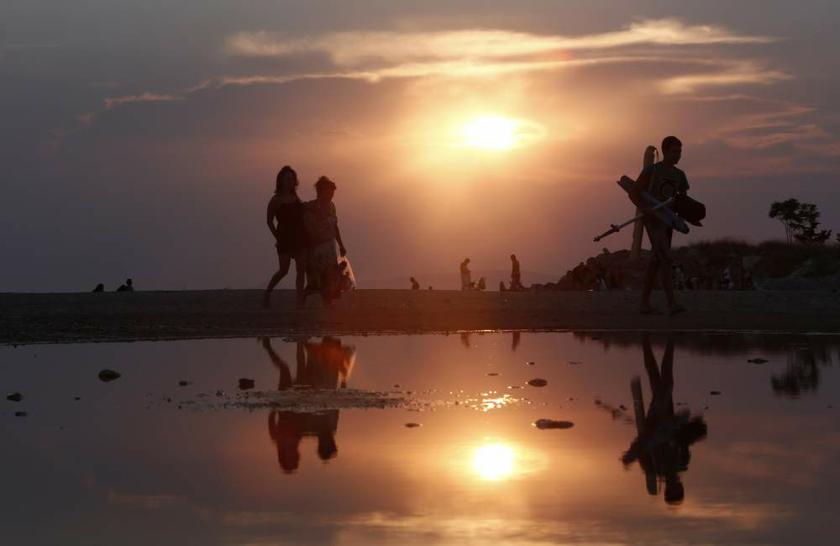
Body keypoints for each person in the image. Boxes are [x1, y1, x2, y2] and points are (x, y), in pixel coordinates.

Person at [622, 335, 707, 505]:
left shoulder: (653, 470)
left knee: (665, 385)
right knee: (661, 382)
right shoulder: (682, 463)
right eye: (677, 488)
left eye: (671, 489)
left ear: (667, 490)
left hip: (653, 423)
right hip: (668, 420)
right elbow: (684, 439)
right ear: (681, 486)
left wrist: (634, 453)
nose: (674, 485)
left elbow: (642, 447)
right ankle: (655, 341)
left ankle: (665, 341)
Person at [630, 136, 689, 316]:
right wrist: (646, 208)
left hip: (669, 221)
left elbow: (683, 200)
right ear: (665, 151)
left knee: (656, 261)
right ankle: (671, 304)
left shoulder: (680, 175)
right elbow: (634, 193)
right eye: (674, 152)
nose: (678, 155)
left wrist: (682, 218)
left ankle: (644, 304)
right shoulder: (652, 170)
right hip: (653, 220)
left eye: (680, 152)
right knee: (665, 258)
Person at [263, 166, 308, 309]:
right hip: (285, 238)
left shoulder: (295, 198)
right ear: (280, 181)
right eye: (287, 179)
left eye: (292, 179)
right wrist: (277, 236)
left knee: (301, 269)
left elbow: (302, 215)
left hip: (299, 237)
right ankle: (268, 293)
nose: (290, 182)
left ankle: (299, 301)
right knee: (283, 270)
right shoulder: (275, 200)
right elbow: (269, 221)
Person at [303, 176, 347, 307]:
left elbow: (335, 226)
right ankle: (304, 297)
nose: (331, 195)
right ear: (321, 191)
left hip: (330, 246)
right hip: (317, 247)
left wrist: (341, 245)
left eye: (333, 192)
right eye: (329, 191)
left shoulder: (332, 206)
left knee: (331, 276)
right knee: (318, 277)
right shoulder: (312, 206)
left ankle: (327, 301)